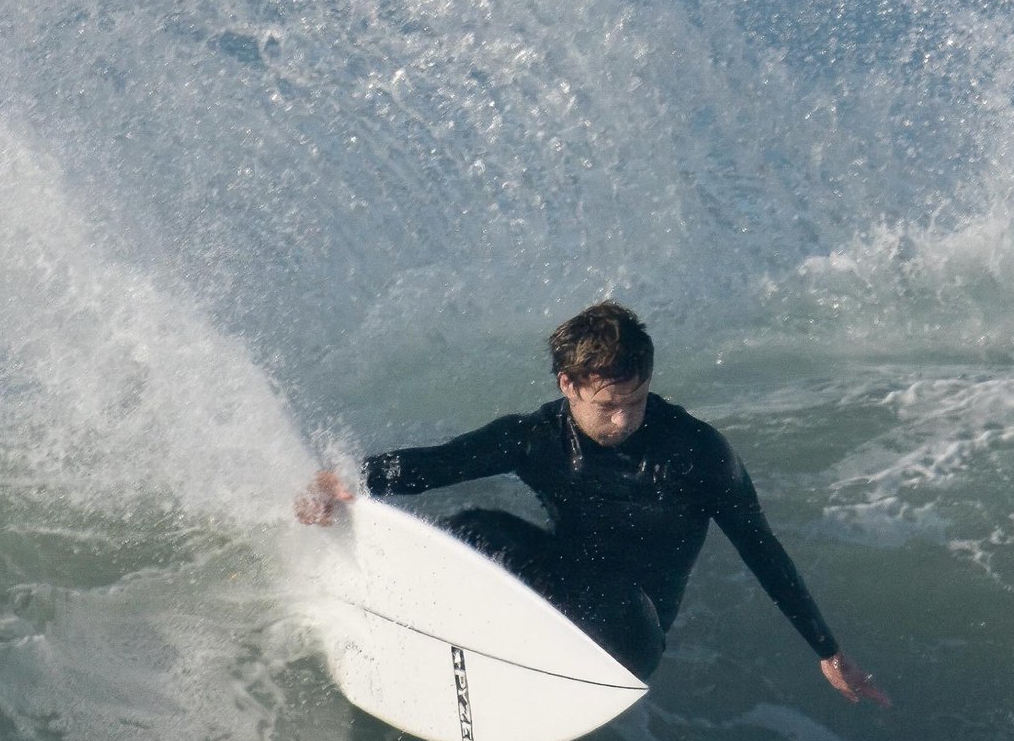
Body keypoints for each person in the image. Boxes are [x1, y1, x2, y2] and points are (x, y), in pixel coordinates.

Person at [296, 300, 891, 706]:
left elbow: (761, 548)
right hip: (559, 586)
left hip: (631, 627)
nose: (624, 418)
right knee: (474, 526)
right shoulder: (535, 436)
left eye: (635, 401)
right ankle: (402, 627)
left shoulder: (697, 454)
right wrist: (344, 478)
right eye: (607, 405)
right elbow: (434, 464)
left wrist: (827, 651)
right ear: (568, 385)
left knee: (617, 600)